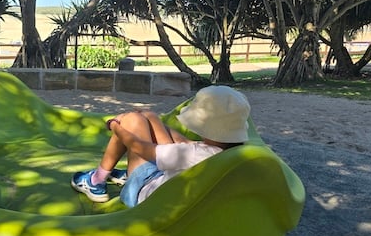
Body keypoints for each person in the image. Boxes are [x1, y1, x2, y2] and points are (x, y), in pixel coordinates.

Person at [71, 85, 251, 207]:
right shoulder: (231, 153)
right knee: (148, 116)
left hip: (142, 192)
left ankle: (96, 180)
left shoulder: (195, 154)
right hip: (169, 183)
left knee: (132, 121)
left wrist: (116, 127)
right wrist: (154, 121)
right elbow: (186, 146)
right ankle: (115, 173)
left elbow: (139, 147)